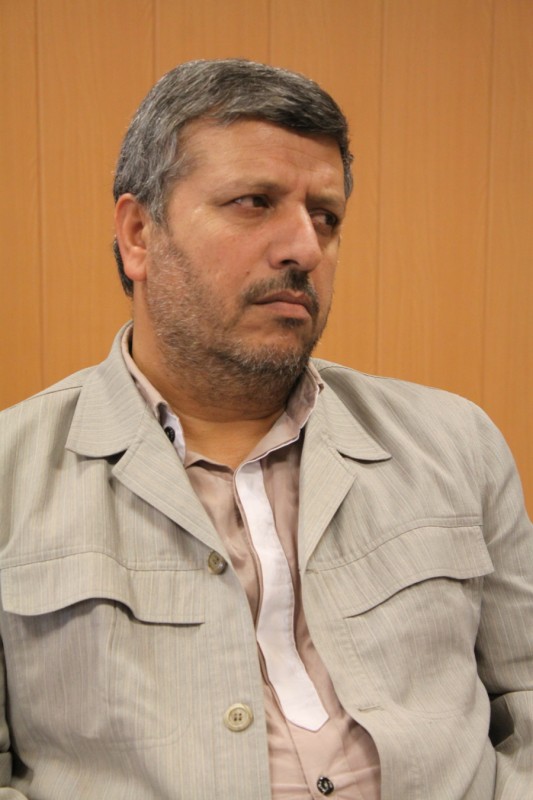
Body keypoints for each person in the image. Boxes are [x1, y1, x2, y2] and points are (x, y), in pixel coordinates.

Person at [0, 59, 531, 800]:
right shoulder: (13, 476)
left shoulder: (455, 443)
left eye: (326, 217)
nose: (304, 249)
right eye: (254, 203)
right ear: (138, 235)